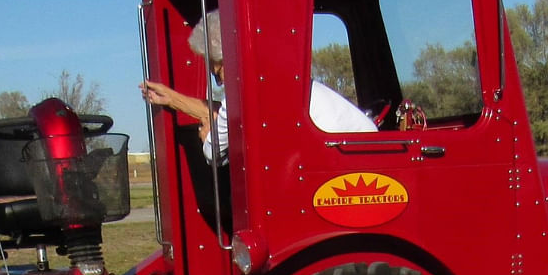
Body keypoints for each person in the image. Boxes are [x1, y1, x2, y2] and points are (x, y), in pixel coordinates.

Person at [140, 11, 376, 164]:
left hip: (346, 167)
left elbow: (214, 152)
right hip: (359, 161)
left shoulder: (243, 91)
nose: (220, 82)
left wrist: (207, 136)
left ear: (228, 59)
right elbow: (224, 115)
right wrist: (171, 98)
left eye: (218, 72)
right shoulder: (275, 80)